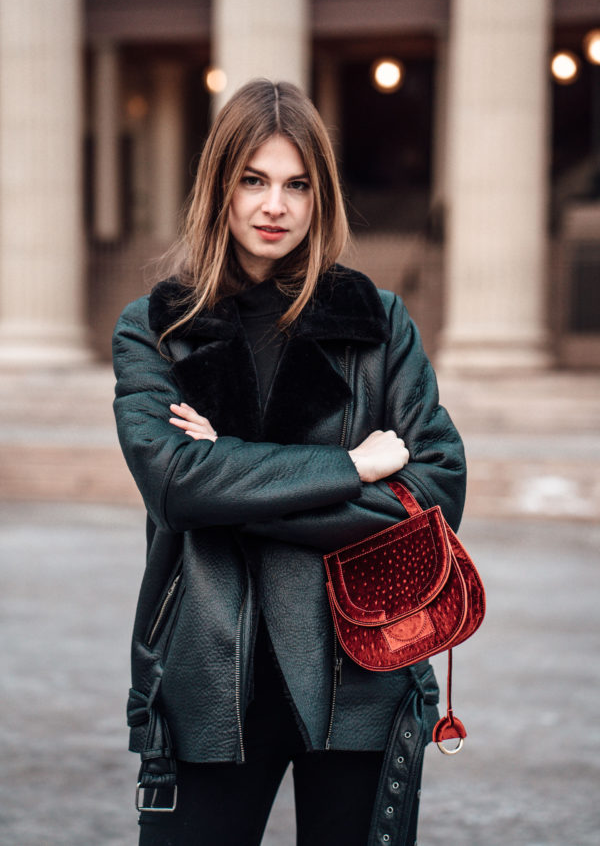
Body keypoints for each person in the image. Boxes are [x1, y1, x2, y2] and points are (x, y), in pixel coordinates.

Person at [112, 78, 466, 846]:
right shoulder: (157, 329)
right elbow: (174, 483)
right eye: (254, 180)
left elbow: (435, 492)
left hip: (362, 669)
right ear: (220, 189)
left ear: (320, 196)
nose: (275, 205)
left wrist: (233, 482)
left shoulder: (376, 322)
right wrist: (351, 468)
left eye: (296, 184)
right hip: (206, 676)